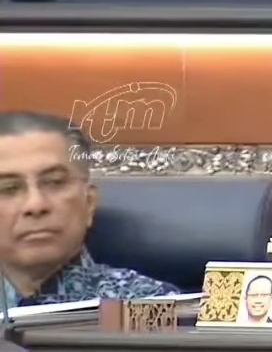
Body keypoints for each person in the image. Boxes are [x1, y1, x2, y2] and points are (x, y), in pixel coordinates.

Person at [0, 112, 180, 307]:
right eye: (8, 188)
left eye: (54, 182)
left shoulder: (149, 303)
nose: (36, 205)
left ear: (89, 203)